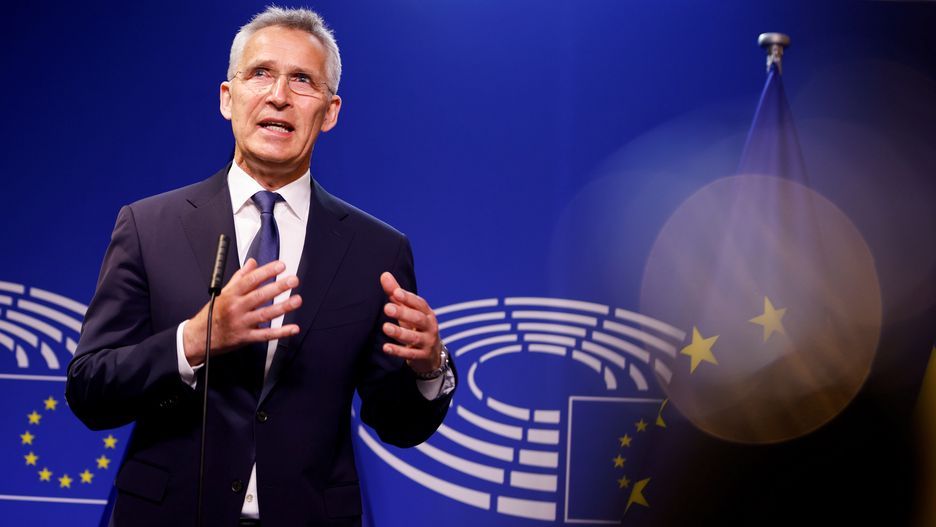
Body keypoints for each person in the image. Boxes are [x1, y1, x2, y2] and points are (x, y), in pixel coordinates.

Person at [65, 7, 455, 527]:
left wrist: (428, 370)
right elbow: (90, 390)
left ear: (330, 111)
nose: (278, 96)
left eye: (302, 81)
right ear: (228, 98)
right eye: (261, 74)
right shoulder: (147, 226)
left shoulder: (375, 251)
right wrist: (194, 339)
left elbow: (398, 424)